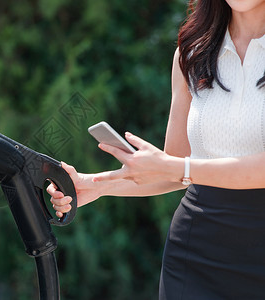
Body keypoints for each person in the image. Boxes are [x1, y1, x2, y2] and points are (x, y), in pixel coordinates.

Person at [47, 0, 265, 298]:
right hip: (196, 255)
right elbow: (173, 170)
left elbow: (178, 168)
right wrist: (95, 185)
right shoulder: (192, 53)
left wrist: (176, 167)